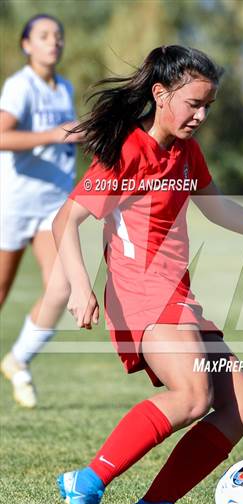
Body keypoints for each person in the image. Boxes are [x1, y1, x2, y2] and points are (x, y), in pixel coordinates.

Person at [52, 45, 243, 504]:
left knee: (241, 406)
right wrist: (80, 286)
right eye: (193, 104)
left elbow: (220, 209)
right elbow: (66, 219)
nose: (201, 115)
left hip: (176, 292)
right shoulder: (129, 151)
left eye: (209, 106)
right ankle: (89, 480)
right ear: (161, 95)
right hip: (139, 290)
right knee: (192, 394)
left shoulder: (186, 153)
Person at [0, 14, 82, 408]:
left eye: (59, 35)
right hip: (15, 203)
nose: (54, 42)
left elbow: (62, 144)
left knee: (60, 286)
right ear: (26, 44)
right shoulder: (20, 86)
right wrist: (54, 134)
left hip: (52, 205)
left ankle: (18, 361)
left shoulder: (64, 87)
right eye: (45, 35)